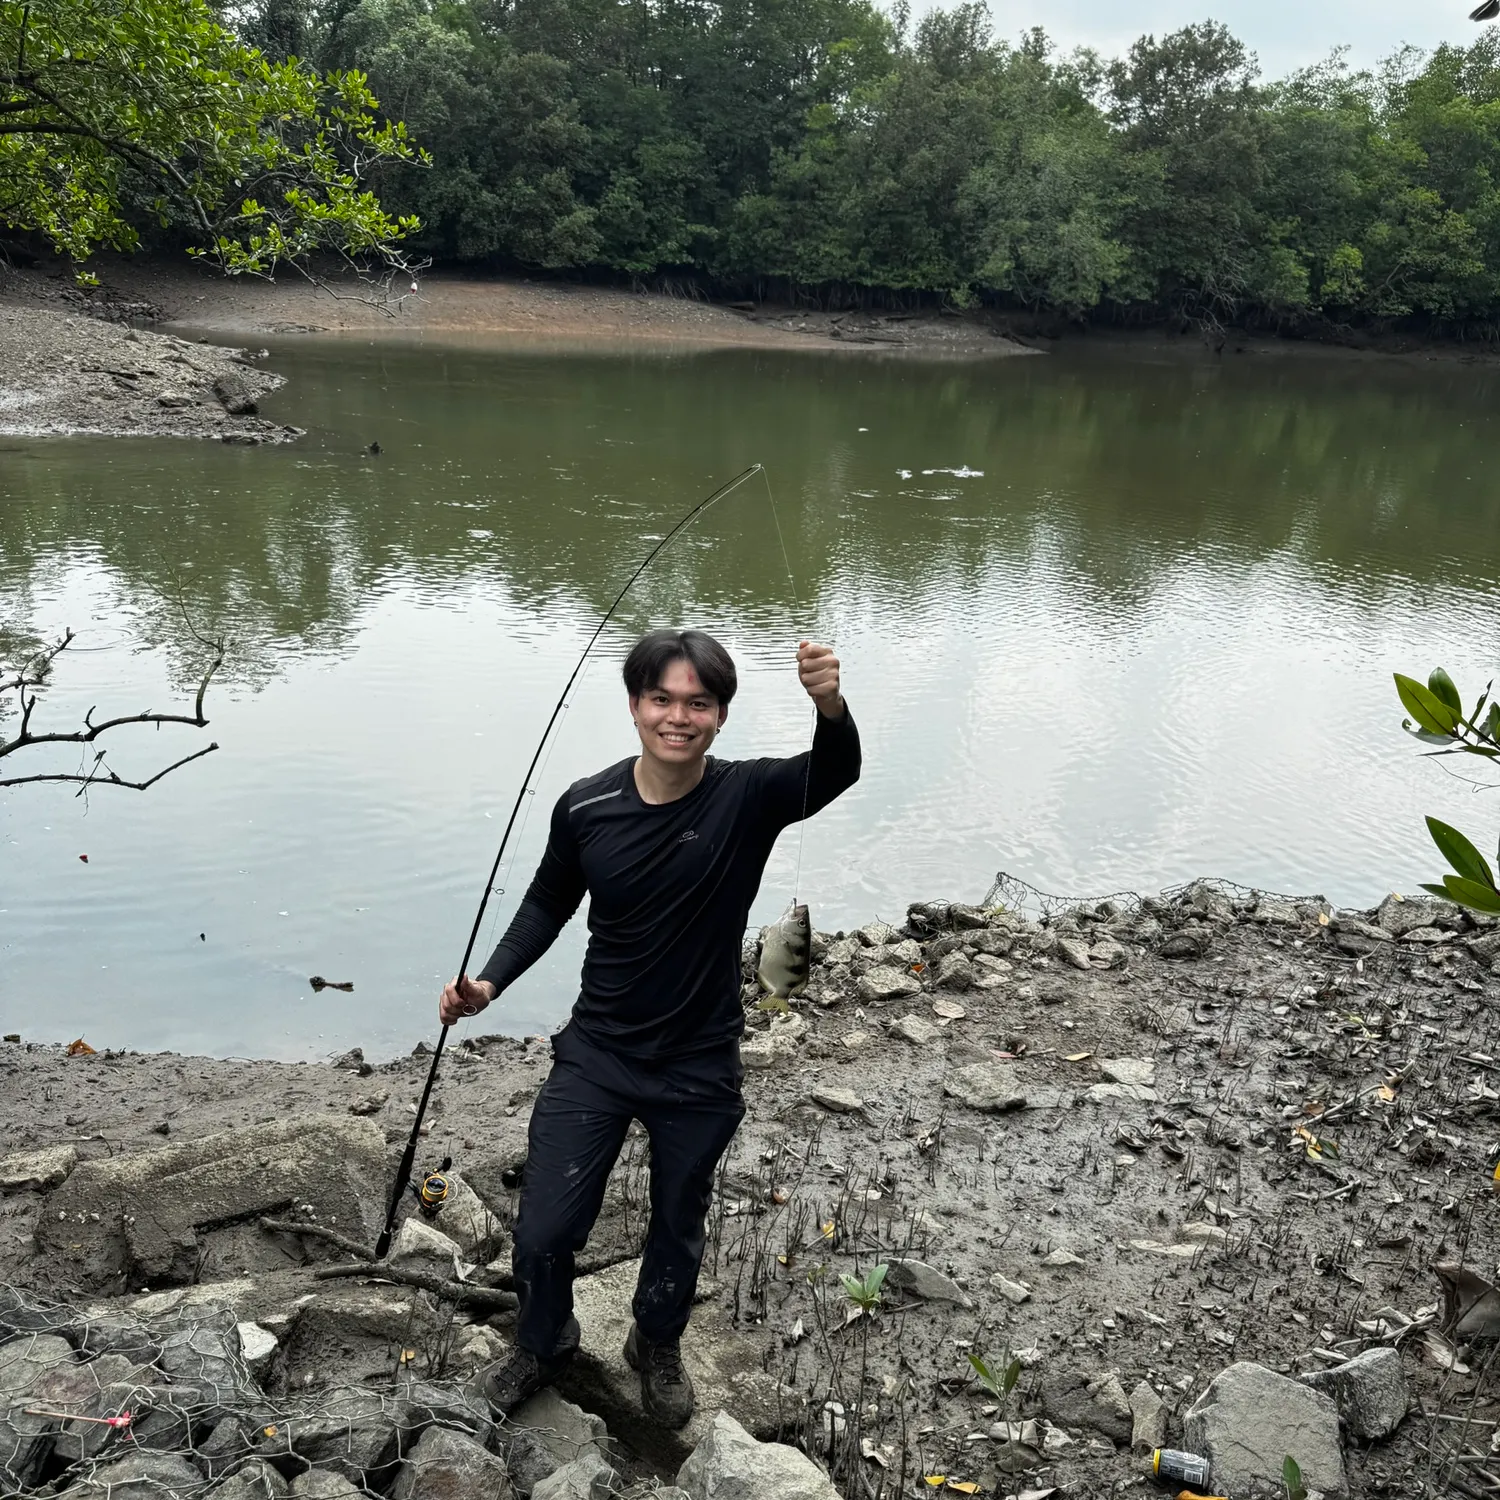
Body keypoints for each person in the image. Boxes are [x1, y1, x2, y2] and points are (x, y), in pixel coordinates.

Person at [438, 628, 860, 1427]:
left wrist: (828, 702)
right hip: (597, 1051)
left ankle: (655, 1340)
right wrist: (488, 981)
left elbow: (836, 771)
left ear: (721, 715)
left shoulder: (749, 796)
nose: (678, 717)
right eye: (661, 699)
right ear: (634, 705)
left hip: (700, 1062)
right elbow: (545, 905)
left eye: (697, 703)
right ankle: (543, 1336)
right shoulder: (586, 805)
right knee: (544, 1230)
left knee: (677, 1220)